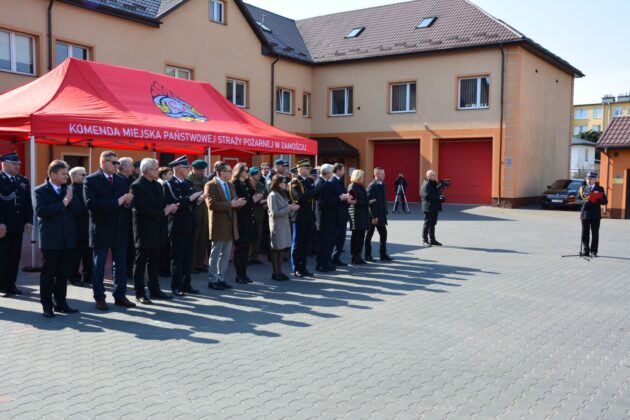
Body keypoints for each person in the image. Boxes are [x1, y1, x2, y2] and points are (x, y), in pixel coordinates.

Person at [84, 151, 135, 310]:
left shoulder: (121, 180)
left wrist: (127, 202)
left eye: (118, 163)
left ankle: (120, 296)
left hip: (119, 228)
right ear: (103, 162)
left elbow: (127, 205)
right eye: (114, 163)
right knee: (99, 265)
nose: (117, 166)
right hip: (101, 228)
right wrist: (118, 201)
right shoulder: (91, 180)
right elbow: (91, 204)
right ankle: (99, 297)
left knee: (120, 265)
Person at [131, 158, 178, 304]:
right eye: (156, 169)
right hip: (144, 229)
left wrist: (170, 208)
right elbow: (142, 209)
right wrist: (164, 212)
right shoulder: (137, 185)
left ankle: (154, 289)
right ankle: (139, 293)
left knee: (154, 262)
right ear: (148, 170)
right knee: (141, 262)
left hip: (158, 229)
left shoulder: (158, 185)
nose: (158, 171)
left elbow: (162, 204)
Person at [35, 160, 78, 318]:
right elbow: (42, 211)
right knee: (48, 274)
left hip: (67, 239)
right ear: (53, 175)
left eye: (67, 174)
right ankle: (47, 305)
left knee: (62, 274)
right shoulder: (40, 191)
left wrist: (72, 200)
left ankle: (61, 303)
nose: (66, 176)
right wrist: (64, 203)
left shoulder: (68, 189)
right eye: (63, 174)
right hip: (50, 240)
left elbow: (79, 210)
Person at [164, 156, 206, 296]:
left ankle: (186, 284)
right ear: (177, 168)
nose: (188, 169)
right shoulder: (169, 184)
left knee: (188, 257)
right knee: (177, 258)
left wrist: (199, 200)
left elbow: (192, 203)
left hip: (190, 223)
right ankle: (176, 286)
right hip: (177, 224)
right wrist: (191, 198)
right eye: (185, 167)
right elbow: (175, 203)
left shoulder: (188, 183)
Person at [205, 162, 246, 290]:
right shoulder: (210, 185)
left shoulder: (230, 184)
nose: (231, 173)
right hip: (219, 224)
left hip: (230, 224)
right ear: (221, 172)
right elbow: (211, 205)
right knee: (216, 253)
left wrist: (239, 203)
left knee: (226, 254)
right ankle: (212, 280)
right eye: (229, 171)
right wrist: (231, 204)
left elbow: (234, 200)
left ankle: (221, 278)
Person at [0, 152, 33, 297]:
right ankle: (2, 285)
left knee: (15, 256)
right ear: (5, 164)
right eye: (14, 164)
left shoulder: (23, 181)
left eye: (18, 164)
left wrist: (29, 221)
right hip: (3, 227)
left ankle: (11, 284)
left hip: (17, 226)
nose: (17, 166)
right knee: (3, 257)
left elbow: (27, 203)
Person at [315, 163, 352, 272]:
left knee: (329, 242)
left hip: (330, 217)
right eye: (331, 172)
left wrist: (342, 198)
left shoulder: (326, 182)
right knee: (324, 243)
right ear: (328, 173)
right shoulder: (321, 183)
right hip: (324, 218)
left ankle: (326, 263)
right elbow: (324, 202)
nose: (333, 174)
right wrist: (340, 198)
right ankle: (321, 264)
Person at [232, 163, 264, 284]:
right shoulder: (235, 185)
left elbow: (250, 200)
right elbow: (240, 204)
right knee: (240, 248)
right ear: (239, 172)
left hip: (249, 219)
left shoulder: (246, 184)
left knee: (246, 248)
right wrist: (253, 200)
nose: (248, 173)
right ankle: (239, 275)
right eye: (246, 171)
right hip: (240, 220)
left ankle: (244, 274)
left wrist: (255, 199)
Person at [289, 159, 318, 277]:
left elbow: (311, 196)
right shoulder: (295, 182)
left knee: (306, 243)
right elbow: (300, 198)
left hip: (309, 215)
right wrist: (314, 192)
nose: (309, 170)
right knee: (297, 243)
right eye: (306, 168)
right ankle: (296, 268)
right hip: (299, 216)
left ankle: (303, 266)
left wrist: (312, 193)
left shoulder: (309, 181)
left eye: (309, 168)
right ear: (300, 169)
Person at [268, 174, 300, 280]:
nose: (286, 184)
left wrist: (292, 208)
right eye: (284, 182)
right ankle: (275, 273)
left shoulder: (283, 194)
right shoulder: (272, 195)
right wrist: (289, 208)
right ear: (278, 183)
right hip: (277, 225)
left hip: (284, 224)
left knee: (281, 249)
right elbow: (274, 213)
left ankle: (280, 271)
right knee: (276, 249)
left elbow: (286, 209)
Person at [67, 166, 92, 287]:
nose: (85, 176)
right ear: (73, 176)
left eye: (86, 174)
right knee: (75, 255)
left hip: (88, 227)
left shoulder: (86, 187)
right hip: (77, 228)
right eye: (82, 174)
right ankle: (74, 277)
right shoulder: (71, 189)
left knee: (88, 254)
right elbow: (77, 209)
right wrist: (92, 208)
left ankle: (88, 276)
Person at [365, 167, 393, 262]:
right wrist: (374, 216)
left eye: (384, 174)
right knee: (369, 235)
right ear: (376, 175)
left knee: (383, 234)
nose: (383, 176)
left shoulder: (383, 184)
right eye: (381, 174)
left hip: (381, 215)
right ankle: (367, 255)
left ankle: (383, 254)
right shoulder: (372, 186)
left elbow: (382, 201)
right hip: (373, 216)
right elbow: (370, 202)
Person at [578, 171, 608, 257]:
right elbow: (577, 199)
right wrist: (583, 201)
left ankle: (594, 251)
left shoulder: (600, 189)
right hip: (585, 214)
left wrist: (599, 200)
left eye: (591, 179)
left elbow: (605, 201)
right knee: (585, 234)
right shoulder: (582, 188)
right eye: (587, 178)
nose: (589, 180)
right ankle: (586, 251)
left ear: (595, 179)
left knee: (595, 233)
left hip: (595, 215)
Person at [188, 160, 210, 273]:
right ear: (193, 169)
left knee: (203, 241)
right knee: (193, 241)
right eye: (199, 170)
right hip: (194, 213)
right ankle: (190, 264)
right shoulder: (188, 180)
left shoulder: (206, 180)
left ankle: (200, 263)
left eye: (203, 170)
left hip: (205, 214)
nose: (201, 172)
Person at [331, 163, 353, 266]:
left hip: (342, 213)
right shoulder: (333, 181)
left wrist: (348, 198)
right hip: (336, 214)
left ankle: (336, 257)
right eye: (343, 170)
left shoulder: (339, 181)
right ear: (338, 170)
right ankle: (332, 258)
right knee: (336, 237)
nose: (344, 172)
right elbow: (334, 198)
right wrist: (343, 197)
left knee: (341, 237)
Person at [347, 170, 371, 265]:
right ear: (356, 177)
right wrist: (365, 203)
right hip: (356, 215)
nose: (363, 179)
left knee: (361, 236)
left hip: (363, 214)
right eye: (361, 177)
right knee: (356, 237)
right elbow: (352, 202)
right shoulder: (352, 186)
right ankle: (354, 256)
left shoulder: (361, 186)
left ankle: (358, 255)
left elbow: (363, 199)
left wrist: (367, 202)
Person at [118, 157, 136, 278]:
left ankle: (129, 270)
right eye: (130, 165)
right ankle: (122, 271)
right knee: (121, 246)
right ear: (123, 167)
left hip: (133, 218)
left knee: (132, 246)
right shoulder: (117, 180)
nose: (133, 168)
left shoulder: (134, 181)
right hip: (121, 218)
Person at [249, 167, 267, 265]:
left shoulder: (260, 184)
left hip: (259, 213)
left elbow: (265, 195)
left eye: (258, 174)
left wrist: (264, 201)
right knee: (250, 236)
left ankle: (255, 256)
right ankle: (248, 256)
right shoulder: (248, 184)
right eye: (256, 174)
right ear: (251, 175)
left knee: (258, 236)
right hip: (251, 213)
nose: (258, 175)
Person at [157, 167, 173, 278]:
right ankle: (162, 269)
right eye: (169, 174)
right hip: (161, 219)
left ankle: (165, 268)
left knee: (166, 246)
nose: (171, 176)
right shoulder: (161, 185)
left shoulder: (166, 184)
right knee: (162, 246)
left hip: (166, 218)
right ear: (163, 175)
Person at [421, 170, 443, 247]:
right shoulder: (426, 184)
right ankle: (425, 240)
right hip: (428, 207)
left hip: (434, 207)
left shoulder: (434, 183)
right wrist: (438, 197)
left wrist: (441, 197)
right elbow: (426, 196)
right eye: (432, 175)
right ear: (428, 176)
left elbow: (437, 193)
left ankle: (432, 240)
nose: (434, 176)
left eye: (434, 175)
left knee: (433, 224)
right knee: (427, 224)